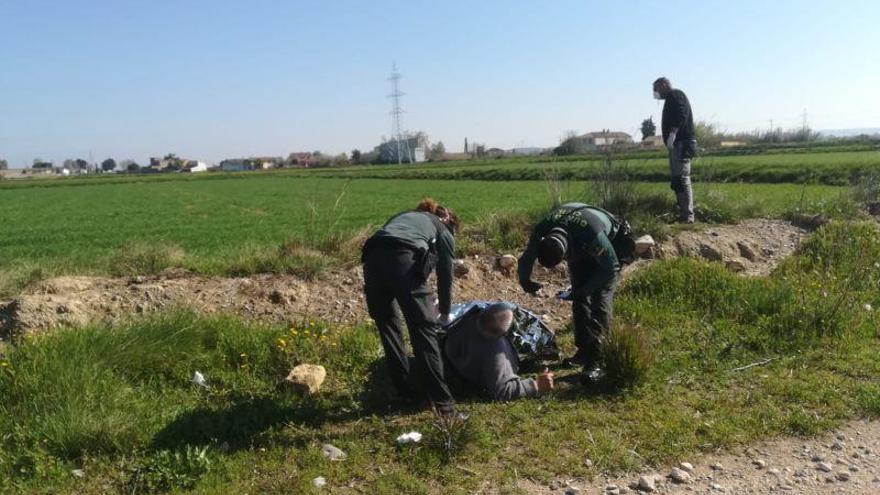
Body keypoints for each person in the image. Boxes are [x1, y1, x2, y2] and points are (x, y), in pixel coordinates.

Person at [361, 199, 459, 416]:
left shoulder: (402, 217)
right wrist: (444, 311)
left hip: (372, 260)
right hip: (402, 257)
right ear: (448, 220)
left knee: (389, 329)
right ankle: (445, 407)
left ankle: (408, 395)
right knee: (424, 331)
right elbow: (445, 274)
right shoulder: (442, 227)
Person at [517, 203, 635, 377]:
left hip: (613, 243)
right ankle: (584, 351)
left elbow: (610, 268)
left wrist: (586, 289)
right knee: (579, 296)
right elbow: (527, 257)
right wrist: (525, 280)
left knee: (599, 296)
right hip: (581, 244)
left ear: (566, 250)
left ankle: (598, 360)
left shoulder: (590, 234)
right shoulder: (542, 229)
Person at [443, 302, 554, 401]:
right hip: (465, 379)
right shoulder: (495, 349)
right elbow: (502, 390)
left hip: (452, 367)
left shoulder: (467, 317)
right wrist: (537, 385)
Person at [653, 77, 697, 223]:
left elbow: (681, 113)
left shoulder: (675, 95)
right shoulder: (670, 99)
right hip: (677, 144)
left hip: (682, 143)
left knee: (683, 178)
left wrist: (673, 133)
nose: (656, 93)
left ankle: (688, 216)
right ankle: (683, 213)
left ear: (664, 85)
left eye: (656, 89)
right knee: (677, 180)